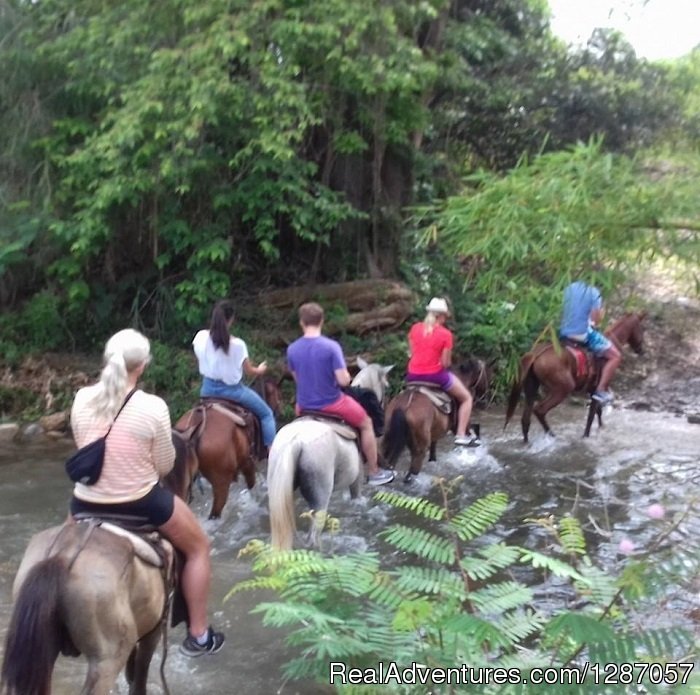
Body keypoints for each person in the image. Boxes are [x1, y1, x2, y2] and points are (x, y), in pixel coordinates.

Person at [69, 328, 224, 657]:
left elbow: (83, 446)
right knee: (199, 547)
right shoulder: (152, 406)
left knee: (62, 551)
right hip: (139, 502)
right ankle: (199, 634)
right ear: (142, 366)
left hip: (83, 500)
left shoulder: (81, 398)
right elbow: (166, 464)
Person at [286, 302, 394, 486]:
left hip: (304, 405)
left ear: (301, 323)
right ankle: (375, 472)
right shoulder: (331, 347)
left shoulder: (292, 349)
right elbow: (344, 381)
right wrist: (344, 377)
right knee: (366, 423)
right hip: (332, 403)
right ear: (321, 321)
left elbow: (298, 378)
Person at [193, 300, 276, 451]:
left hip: (207, 389)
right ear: (231, 319)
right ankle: (272, 453)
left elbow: (200, 357)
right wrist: (261, 369)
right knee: (266, 414)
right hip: (233, 392)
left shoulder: (200, 337)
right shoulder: (238, 345)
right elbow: (250, 371)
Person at [407, 297, 480, 447]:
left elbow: (412, 352)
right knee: (466, 398)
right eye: (445, 316)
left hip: (412, 375)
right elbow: (445, 363)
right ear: (441, 316)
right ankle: (460, 434)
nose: (446, 319)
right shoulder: (446, 334)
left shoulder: (415, 328)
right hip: (435, 375)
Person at [559, 280, 621, 405]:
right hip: (582, 333)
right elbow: (595, 319)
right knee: (615, 356)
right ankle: (600, 390)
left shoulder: (568, 288)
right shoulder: (594, 292)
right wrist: (599, 317)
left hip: (564, 331)